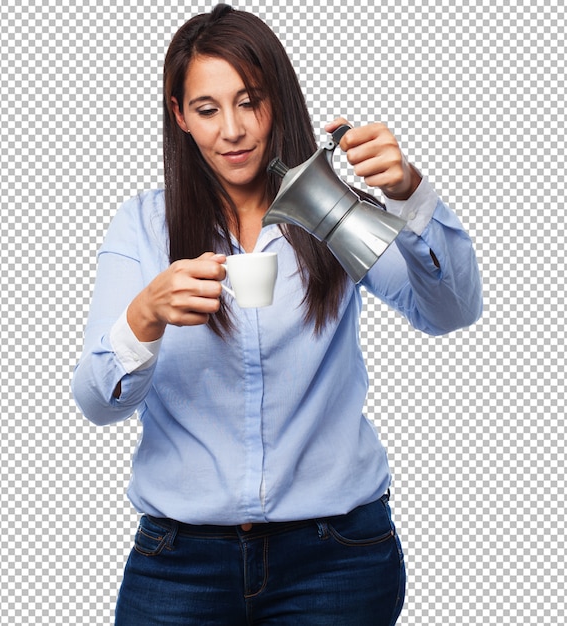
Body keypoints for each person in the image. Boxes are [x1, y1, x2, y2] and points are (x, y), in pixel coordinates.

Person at [71, 4, 482, 625]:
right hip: (179, 560)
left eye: (250, 101)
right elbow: (98, 403)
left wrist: (408, 193)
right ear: (179, 116)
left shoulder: (329, 208)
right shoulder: (144, 226)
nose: (232, 130)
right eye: (207, 109)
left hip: (336, 557)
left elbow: (450, 311)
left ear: (280, 101)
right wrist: (144, 316)